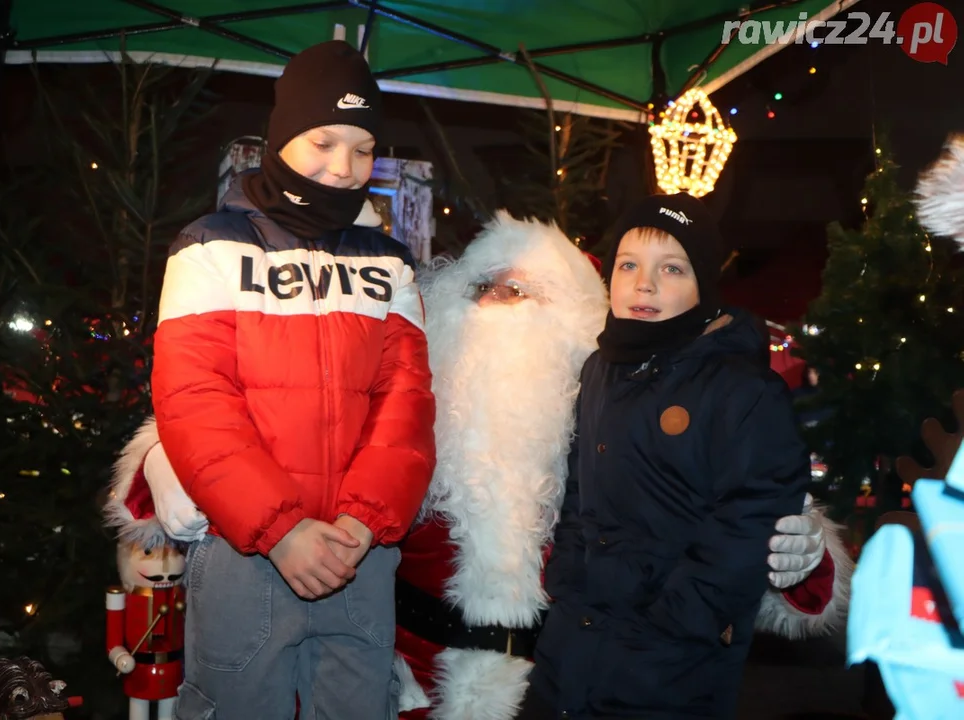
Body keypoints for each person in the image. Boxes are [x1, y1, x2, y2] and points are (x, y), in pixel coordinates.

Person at [118, 210, 850, 719]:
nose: (501, 306)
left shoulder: (601, 401)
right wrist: (162, 458)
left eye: (524, 292)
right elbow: (280, 424)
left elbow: (722, 520)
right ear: (445, 302)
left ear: (574, 316)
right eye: (484, 289)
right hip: (398, 674)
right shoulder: (413, 387)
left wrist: (803, 560)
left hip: (557, 683)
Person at [141, 39, 436, 719]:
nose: (344, 167)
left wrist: (363, 523)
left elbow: (406, 404)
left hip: (358, 559)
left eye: (364, 149)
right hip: (248, 555)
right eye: (325, 141)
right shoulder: (209, 246)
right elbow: (195, 400)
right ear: (283, 137)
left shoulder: (388, 264)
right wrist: (280, 531)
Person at [520, 193, 818, 719]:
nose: (644, 284)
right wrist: (567, 584)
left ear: (703, 285)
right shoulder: (599, 370)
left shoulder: (743, 391)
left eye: (672, 268)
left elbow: (748, 523)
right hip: (570, 650)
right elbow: (576, 491)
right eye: (628, 264)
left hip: (671, 668)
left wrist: (675, 621)